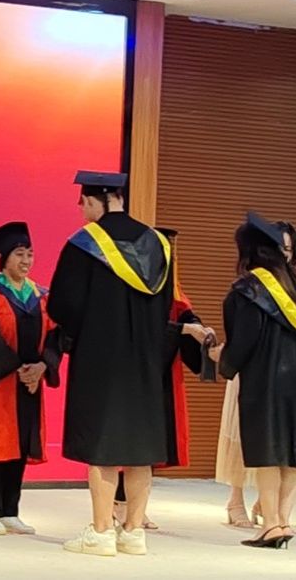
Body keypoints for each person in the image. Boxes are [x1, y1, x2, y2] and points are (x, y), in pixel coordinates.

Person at [46, 171, 177, 558]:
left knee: (102, 446)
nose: (81, 211)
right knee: (141, 446)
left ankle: (102, 531)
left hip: (100, 358)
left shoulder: (84, 244)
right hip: (146, 360)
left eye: (83, 204)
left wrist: (79, 332)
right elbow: (166, 304)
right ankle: (133, 531)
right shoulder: (158, 244)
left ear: (93, 202)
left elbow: (62, 305)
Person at [219, 213, 296, 550]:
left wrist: (223, 360)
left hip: (265, 383)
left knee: (267, 452)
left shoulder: (249, 289)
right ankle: (284, 520)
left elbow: (243, 342)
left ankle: (272, 525)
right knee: (292, 455)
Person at [112, 227, 215, 533]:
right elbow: (143, 326)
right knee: (129, 442)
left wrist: (199, 329)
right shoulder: (131, 282)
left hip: (162, 373)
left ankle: (137, 507)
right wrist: (184, 330)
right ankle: (118, 505)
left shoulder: (170, 284)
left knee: (152, 444)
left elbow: (184, 313)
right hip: (132, 372)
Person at [0, 221, 57, 537]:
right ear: (4, 257)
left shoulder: (41, 295)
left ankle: (10, 511)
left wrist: (43, 366)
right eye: (19, 254)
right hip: (1, 382)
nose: (26, 261)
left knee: (20, 443)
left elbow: (56, 336)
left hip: (31, 382)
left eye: (30, 254)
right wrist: (20, 368)